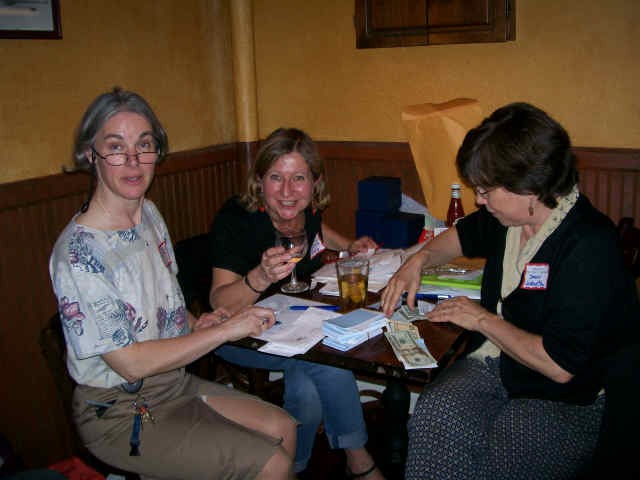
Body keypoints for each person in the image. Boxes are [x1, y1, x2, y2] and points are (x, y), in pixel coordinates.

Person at [381, 102, 640, 479]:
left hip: (565, 397)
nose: (478, 200)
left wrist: (483, 320)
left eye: (485, 190)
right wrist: (417, 261)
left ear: (528, 185)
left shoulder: (588, 246)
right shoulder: (508, 219)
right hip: (499, 365)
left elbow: (561, 366)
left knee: (501, 455)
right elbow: (461, 235)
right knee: (435, 415)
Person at [49, 88, 298, 480]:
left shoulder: (148, 213)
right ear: (89, 155)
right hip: (119, 411)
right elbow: (129, 363)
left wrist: (195, 322)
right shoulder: (79, 253)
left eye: (144, 146)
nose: (133, 161)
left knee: (283, 427)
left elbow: (164, 300)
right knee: (274, 465)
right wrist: (228, 329)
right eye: (116, 147)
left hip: (172, 384)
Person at [208, 127, 384, 478]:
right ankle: (359, 459)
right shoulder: (236, 219)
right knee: (325, 360)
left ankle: (292, 468)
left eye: (299, 178)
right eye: (276, 178)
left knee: (307, 374)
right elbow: (218, 302)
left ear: (315, 182)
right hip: (232, 333)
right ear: (259, 181)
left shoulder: (308, 209)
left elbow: (319, 232)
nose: (288, 192)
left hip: (289, 324)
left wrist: (348, 245)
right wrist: (258, 277)